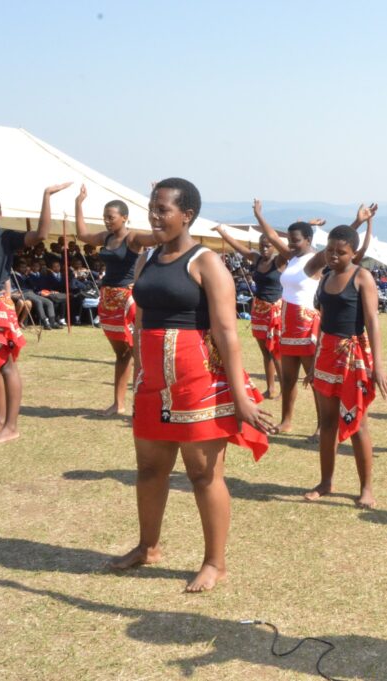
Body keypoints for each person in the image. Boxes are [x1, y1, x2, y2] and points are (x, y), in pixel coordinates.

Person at [108, 178, 275, 593]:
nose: (155, 215)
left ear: (188, 215)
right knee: (149, 469)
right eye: (152, 207)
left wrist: (240, 396)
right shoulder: (148, 257)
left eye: (163, 209)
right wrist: (139, 368)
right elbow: (142, 316)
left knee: (203, 474)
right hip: (153, 380)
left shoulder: (206, 262)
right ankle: (148, 547)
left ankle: (215, 563)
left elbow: (226, 332)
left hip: (196, 379)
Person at [252, 200, 374, 437]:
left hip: (308, 325)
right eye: (289, 240)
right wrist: (259, 215)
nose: (291, 244)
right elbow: (270, 235)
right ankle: (286, 420)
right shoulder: (290, 256)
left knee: (317, 380)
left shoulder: (316, 259)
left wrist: (358, 221)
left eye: (296, 240)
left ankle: (322, 425)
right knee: (288, 379)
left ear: (307, 240)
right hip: (287, 325)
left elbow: (339, 243)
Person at [305, 222, 387, 509]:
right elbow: (322, 321)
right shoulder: (326, 277)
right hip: (327, 355)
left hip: (353, 356)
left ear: (353, 253)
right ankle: (325, 482)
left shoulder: (362, 277)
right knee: (327, 422)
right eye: (330, 250)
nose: (333, 256)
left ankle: (366, 488)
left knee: (357, 424)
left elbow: (372, 322)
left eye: (340, 252)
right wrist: (315, 361)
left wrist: (377, 366)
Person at [0, 184, 70, 444]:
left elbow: (40, 234)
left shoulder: (6, 237)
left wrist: (46, 197)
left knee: (5, 365)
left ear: (0, 215)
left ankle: (11, 426)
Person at [75, 185, 158, 415]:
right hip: (108, 298)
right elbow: (83, 235)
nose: (106, 221)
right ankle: (118, 403)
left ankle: (140, 404)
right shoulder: (106, 236)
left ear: (124, 218)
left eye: (110, 218)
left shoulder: (133, 237)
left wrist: (153, 204)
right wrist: (78, 204)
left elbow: (157, 236)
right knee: (121, 353)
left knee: (137, 353)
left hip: (128, 299)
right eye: (104, 217)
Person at [213, 226, 284, 399]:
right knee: (265, 351)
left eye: (268, 245)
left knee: (276, 352)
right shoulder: (256, 259)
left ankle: (285, 389)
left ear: (274, 246)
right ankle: (271, 388)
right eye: (262, 246)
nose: (264, 248)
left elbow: (289, 248)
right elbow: (238, 247)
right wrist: (222, 233)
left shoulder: (280, 261)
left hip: (274, 309)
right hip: (258, 309)